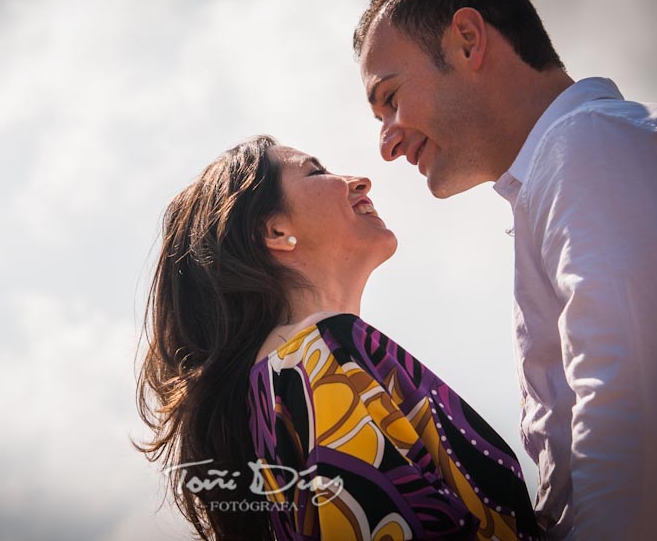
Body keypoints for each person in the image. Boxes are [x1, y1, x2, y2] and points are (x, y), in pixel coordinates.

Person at [354, 0, 657, 541]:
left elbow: (633, 439)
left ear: (468, 41)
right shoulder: (573, 163)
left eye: (390, 98)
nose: (386, 144)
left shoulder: (589, 146)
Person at [135, 135, 541, 540]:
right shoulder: (316, 359)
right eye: (317, 171)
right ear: (275, 231)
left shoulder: (285, 379)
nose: (361, 181)